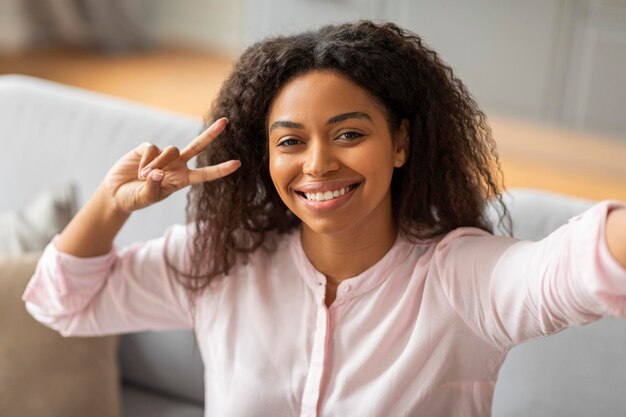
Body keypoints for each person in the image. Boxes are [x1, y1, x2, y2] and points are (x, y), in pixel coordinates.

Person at [22, 20, 626, 416]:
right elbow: (62, 302)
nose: (318, 164)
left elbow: (574, 266)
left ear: (401, 144)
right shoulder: (222, 259)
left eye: (349, 133)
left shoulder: (461, 278)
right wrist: (111, 202)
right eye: (290, 142)